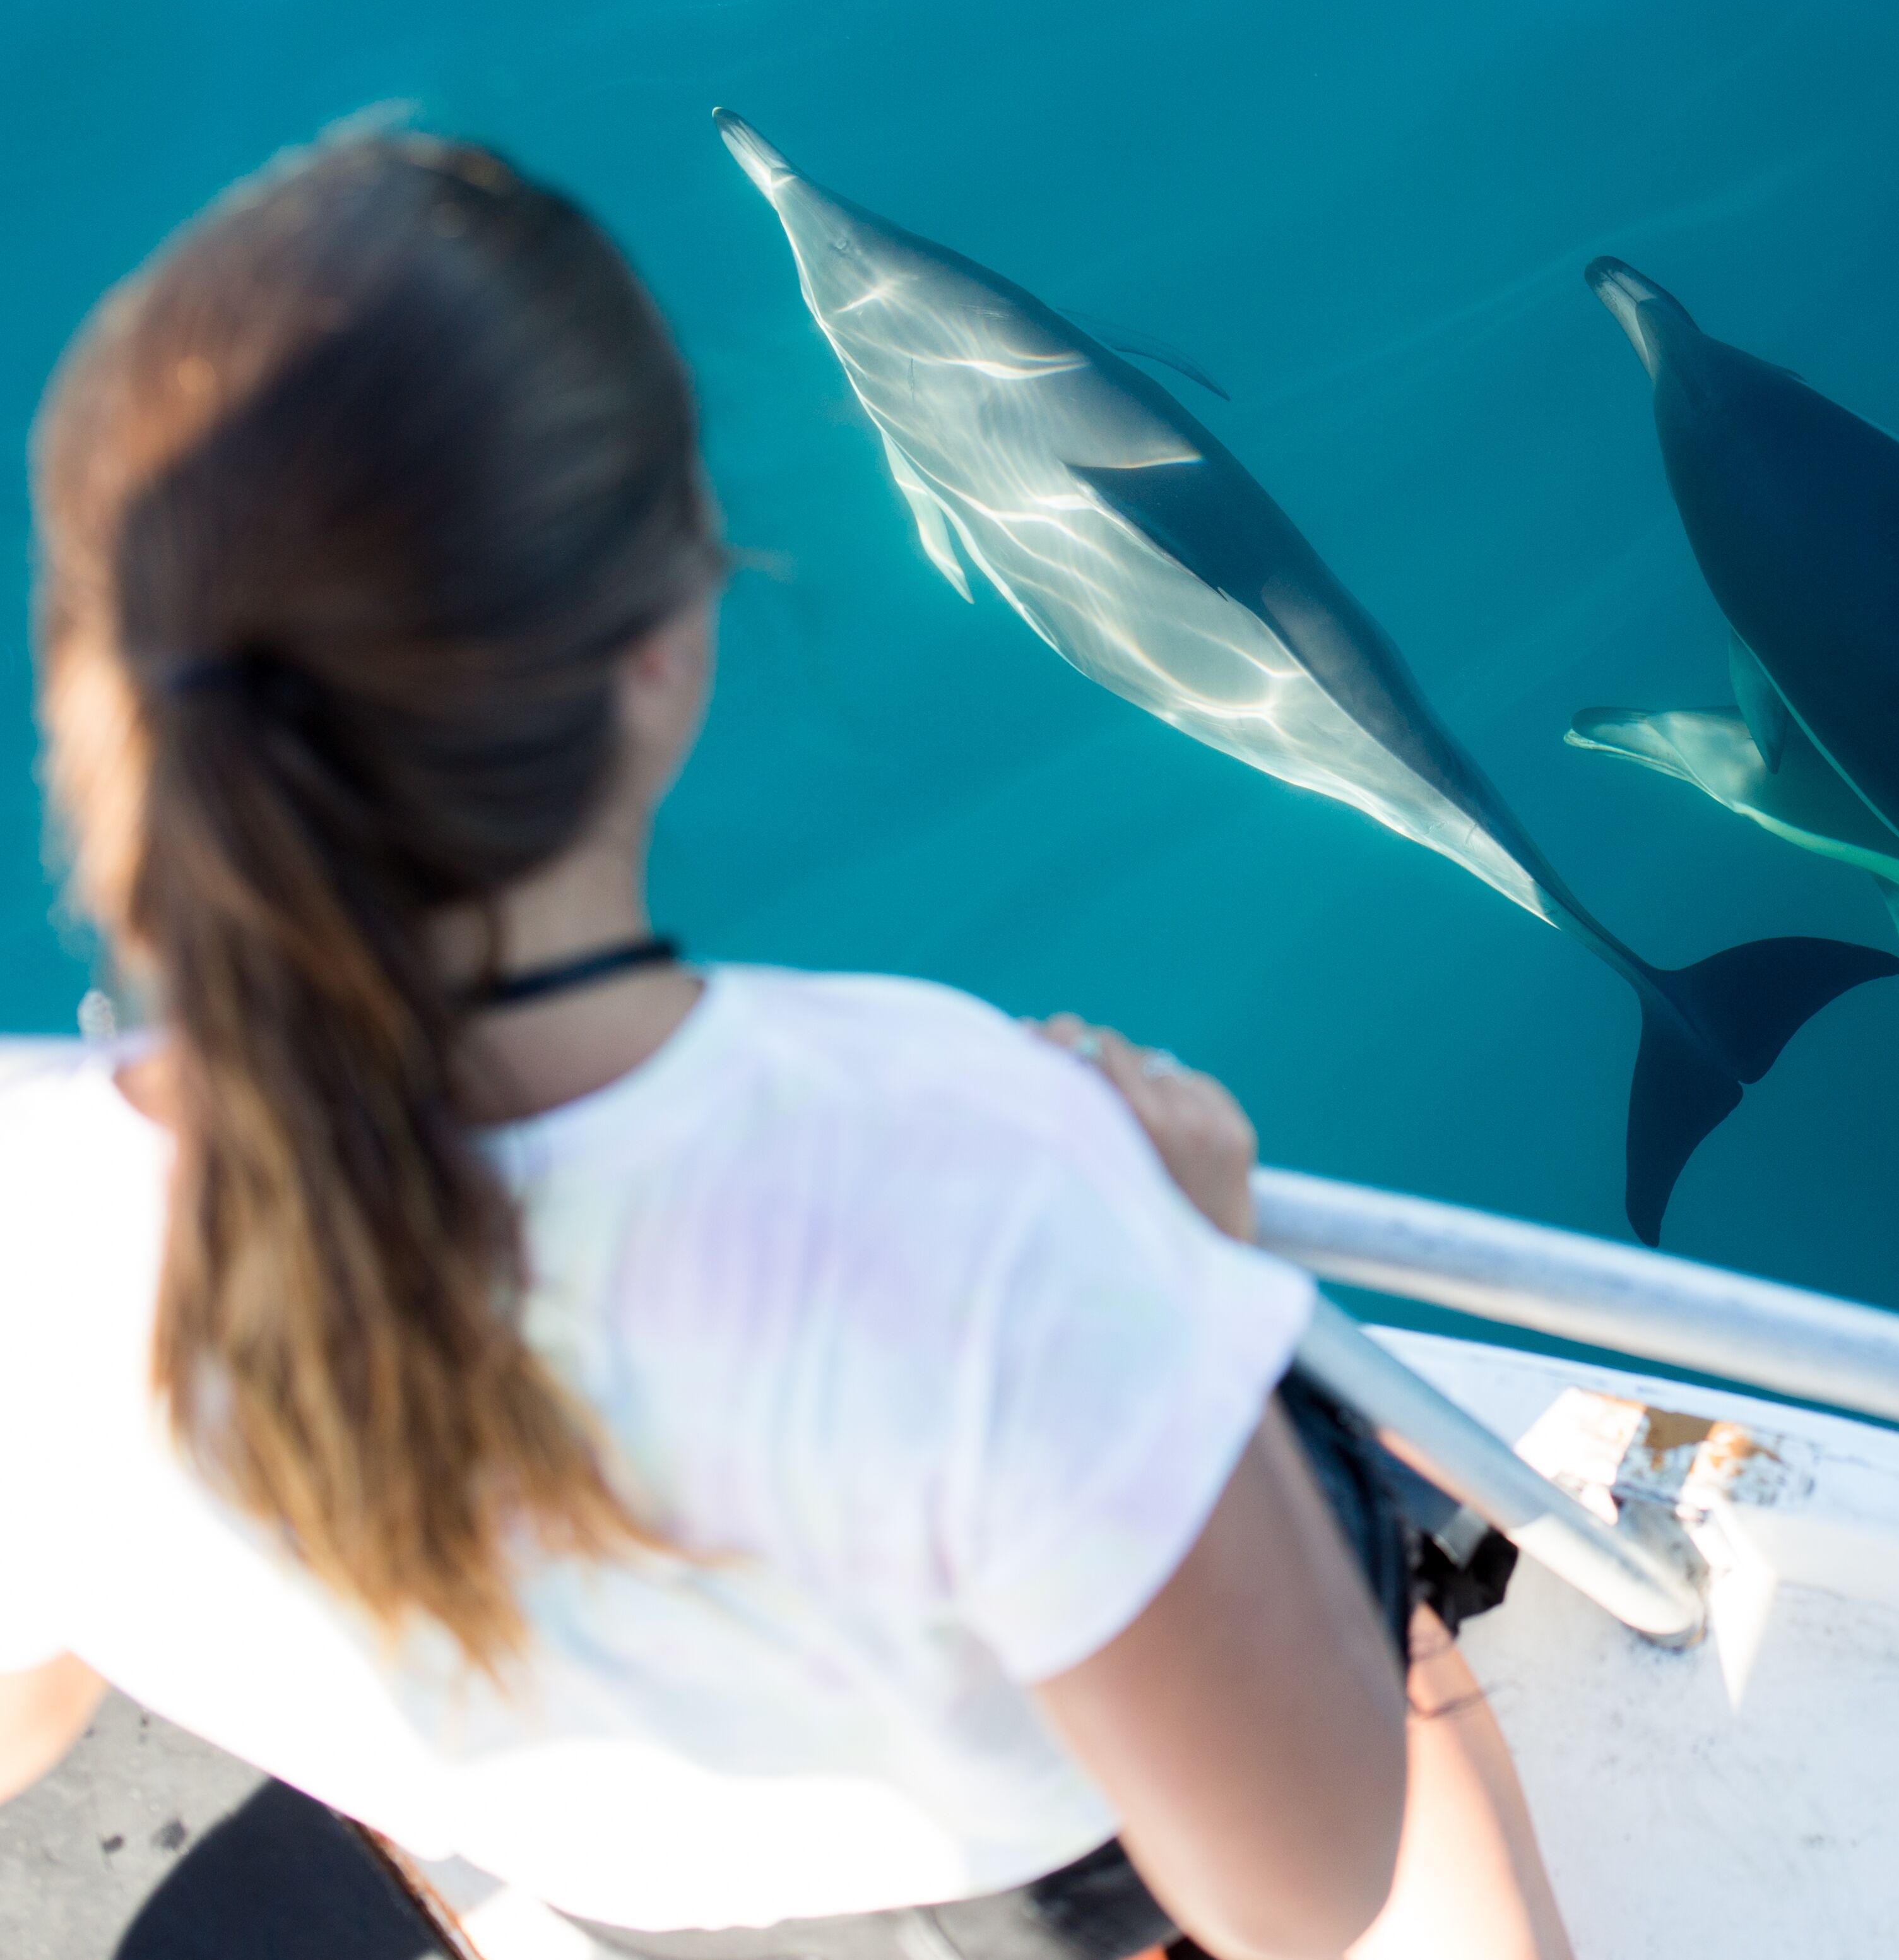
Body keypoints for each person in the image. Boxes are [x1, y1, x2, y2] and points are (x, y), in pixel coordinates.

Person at [0, 126, 1574, 1960]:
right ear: (674, 643)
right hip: (1037, 1854)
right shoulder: (985, 1176)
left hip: (632, 1890)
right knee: (1364, 1566)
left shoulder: (27, 1212)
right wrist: (1195, 1286)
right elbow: (1300, 1888)